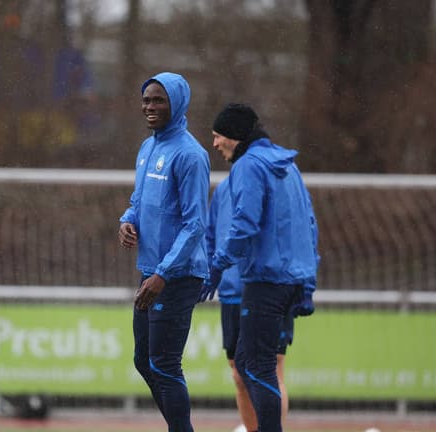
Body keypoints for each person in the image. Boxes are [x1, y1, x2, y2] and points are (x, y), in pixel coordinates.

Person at [199, 103, 319, 432]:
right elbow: (308, 224)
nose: (215, 144)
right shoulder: (288, 166)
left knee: (256, 367)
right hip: (286, 279)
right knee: (254, 366)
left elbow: (245, 225)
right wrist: (307, 283)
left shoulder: (247, 167)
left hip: (265, 281)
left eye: (218, 136)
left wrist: (218, 267)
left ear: (235, 137)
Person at [118, 72, 211, 432]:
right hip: (152, 270)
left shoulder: (191, 155)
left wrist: (163, 274)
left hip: (179, 274)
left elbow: (195, 225)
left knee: (165, 363)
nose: (150, 107)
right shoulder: (147, 148)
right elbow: (138, 202)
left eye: (159, 100)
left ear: (177, 103)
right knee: (145, 360)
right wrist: (127, 221)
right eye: (146, 100)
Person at [206, 176, 296, 432]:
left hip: (269, 288)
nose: (216, 142)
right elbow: (211, 235)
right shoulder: (224, 188)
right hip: (233, 291)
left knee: (271, 367)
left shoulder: (278, 183)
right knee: (239, 374)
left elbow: (297, 230)